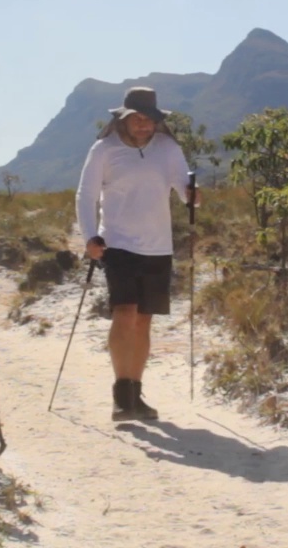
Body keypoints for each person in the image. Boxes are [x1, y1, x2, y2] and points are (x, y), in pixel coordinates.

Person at [76, 86, 197, 422]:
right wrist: (89, 237)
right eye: (139, 119)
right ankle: (120, 394)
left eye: (150, 120)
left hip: (158, 246)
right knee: (125, 313)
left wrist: (192, 195)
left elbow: (183, 187)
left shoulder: (167, 147)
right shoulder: (104, 149)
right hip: (117, 243)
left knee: (144, 320)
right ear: (125, 118)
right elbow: (85, 196)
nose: (145, 125)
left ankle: (135, 394)